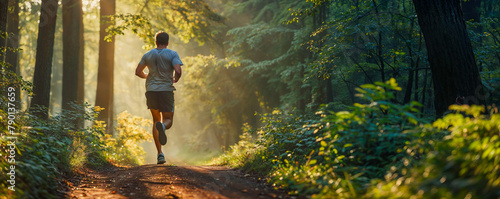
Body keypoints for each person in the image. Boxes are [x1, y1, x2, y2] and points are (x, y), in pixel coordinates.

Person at [135, 31, 182, 164]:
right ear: (167, 42)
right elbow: (178, 70)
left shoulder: (148, 54)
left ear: (155, 42)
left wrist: (148, 77)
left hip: (151, 91)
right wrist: (176, 79)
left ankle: (160, 154)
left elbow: (138, 72)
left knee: (155, 121)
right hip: (166, 91)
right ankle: (163, 125)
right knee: (168, 120)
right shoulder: (172, 54)